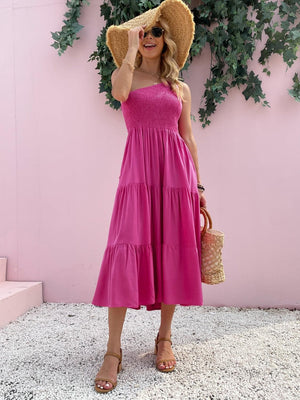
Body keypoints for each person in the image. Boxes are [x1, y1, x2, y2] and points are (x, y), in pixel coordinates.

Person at [92, 0, 207, 393]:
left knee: (173, 248)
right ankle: (113, 351)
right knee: (125, 247)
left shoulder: (180, 87)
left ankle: (165, 337)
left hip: (176, 179)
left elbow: (188, 137)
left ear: (167, 39)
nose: (150, 38)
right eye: (144, 33)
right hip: (139, 176)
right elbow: (120, 93)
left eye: (157, 32)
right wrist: (127, 52)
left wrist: (199, 186)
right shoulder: (125, 75)